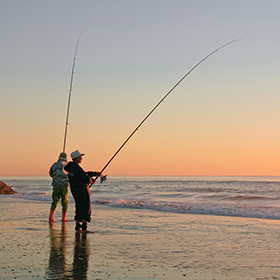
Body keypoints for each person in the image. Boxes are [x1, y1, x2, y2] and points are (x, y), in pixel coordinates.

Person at [64, 149, 101, 231]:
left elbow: (83, 174)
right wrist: (91, 180)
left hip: (75, 190)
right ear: (77, 158)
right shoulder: (76, 167)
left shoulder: (71, 167)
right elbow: (84, 177)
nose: (81, 158)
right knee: (85, 207)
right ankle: (84, 227)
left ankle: (78, 225)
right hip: (82, 191)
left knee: (79, 206)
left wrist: (95, 173)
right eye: (80, 157)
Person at [49, 152, 69, 222]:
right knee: (64, 202)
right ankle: (63, 218)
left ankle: (51, 217)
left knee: (54, 201)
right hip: (64, 186)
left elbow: (51, 174)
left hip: (56, 185)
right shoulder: (67, 166)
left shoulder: (54, 165)